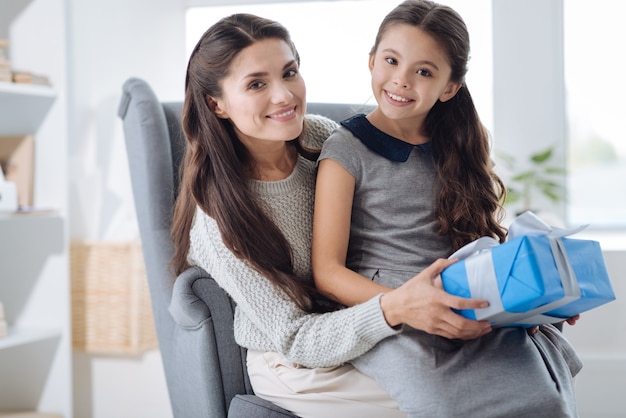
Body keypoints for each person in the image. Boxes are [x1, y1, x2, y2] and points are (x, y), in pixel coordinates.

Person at [169, 12, 492, 418]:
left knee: (497, 372)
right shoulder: (218, 218)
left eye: (289, 72)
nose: (285, 96)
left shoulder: (324, 137)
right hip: (295, 361)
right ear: (217, 104)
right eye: (257, 84)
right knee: (454, 397)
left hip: (365, 330)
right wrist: (398, 308)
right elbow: (295, 336)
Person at [312, 1, 582, 417]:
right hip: (395, 314)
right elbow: (327, 273)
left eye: (424, 71)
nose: (401, 80)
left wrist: (537, 295)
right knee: (444, 405)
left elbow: (480, 241)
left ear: (449, 87)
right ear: (371, 61)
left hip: (468, 305)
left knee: (544, 400)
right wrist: (407, 305)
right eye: (391, 60)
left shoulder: (459, 143)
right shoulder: (345, 150)